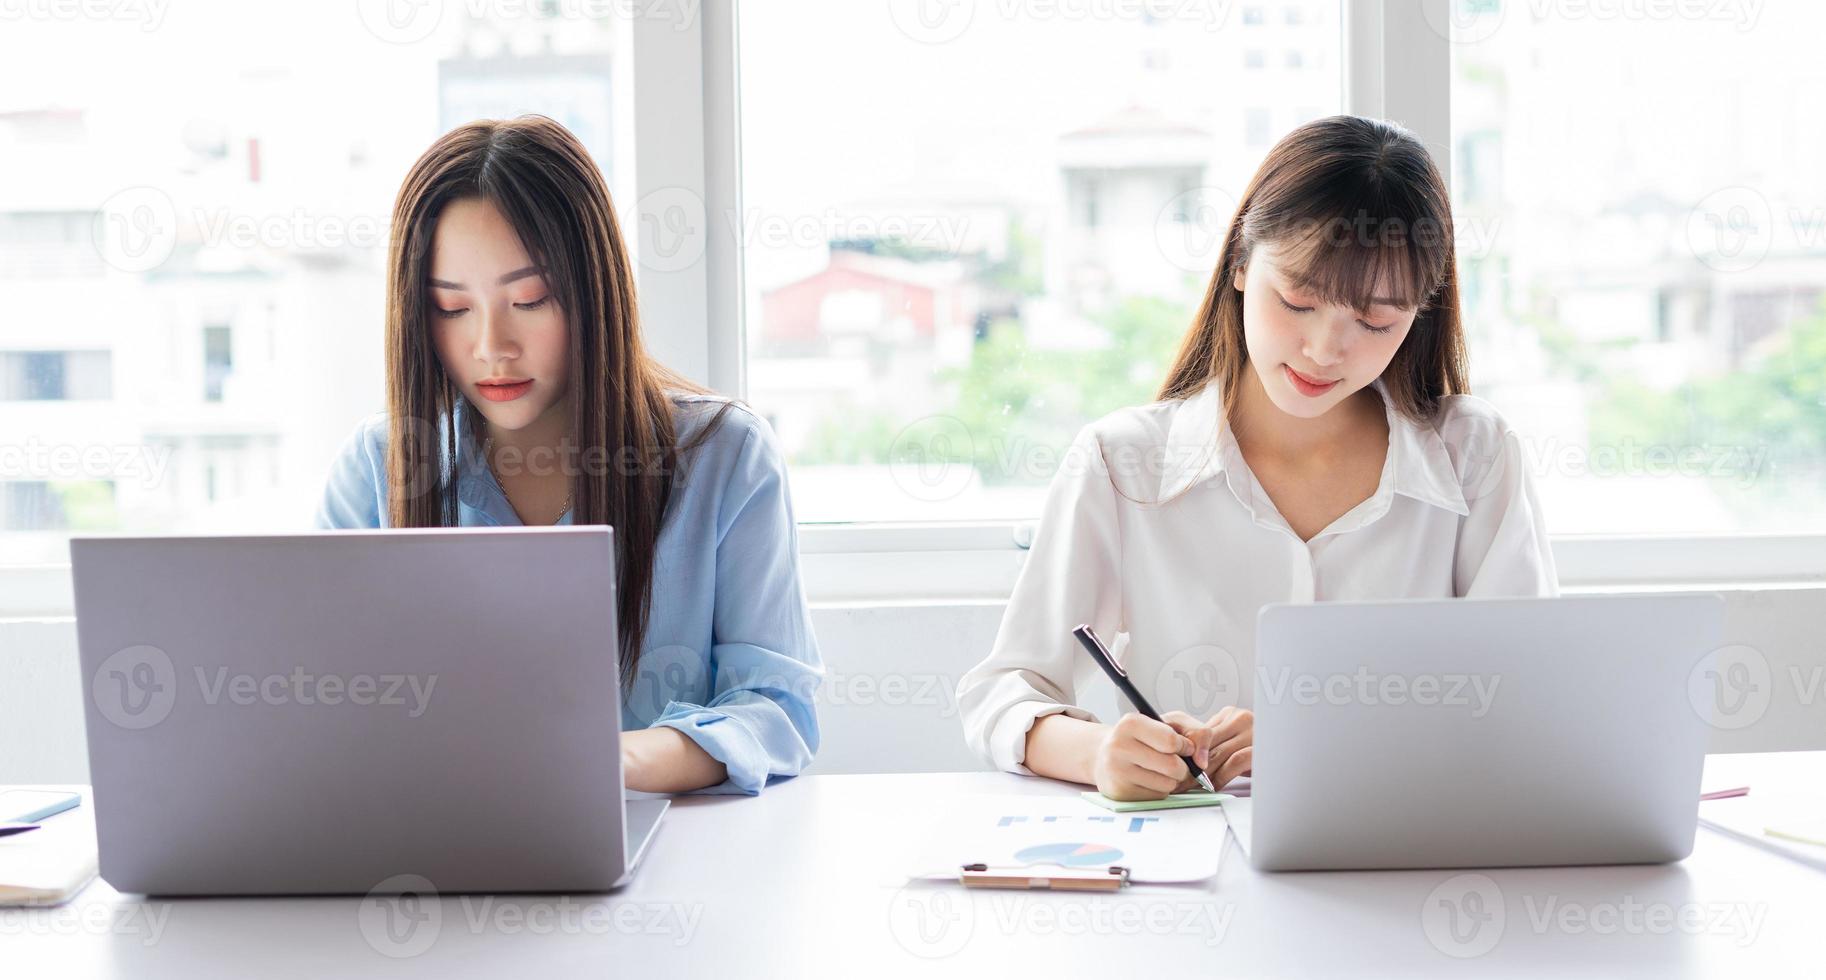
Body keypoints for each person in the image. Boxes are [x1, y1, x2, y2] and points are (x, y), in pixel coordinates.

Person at [958, 115, 1558, 801]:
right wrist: (1099, 752)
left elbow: (1525, 704)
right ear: (1241, 262)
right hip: (1190, 875)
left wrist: (1316, 742)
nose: (1325, 350)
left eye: (1376, 322)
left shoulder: (1475, 459)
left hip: (1402, 873)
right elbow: (1003, 692)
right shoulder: (1120, 465)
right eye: (1298, 301)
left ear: (1419, 316)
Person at [317, 115, 821, 795]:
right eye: (452, 308)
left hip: (672, 854)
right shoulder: (377, 468)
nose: (492, 345)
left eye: (530, 299)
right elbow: (323, 712)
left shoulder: (724, 458)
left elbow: (777, 710)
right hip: (439, 855)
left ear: (592, 290)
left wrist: (613, 762)